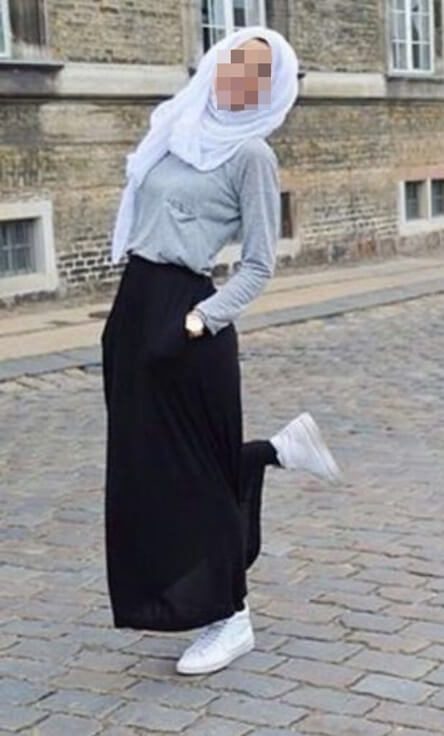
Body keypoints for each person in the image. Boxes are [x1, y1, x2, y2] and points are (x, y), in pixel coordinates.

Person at [101, 24, 341, 677]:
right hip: (133, 306)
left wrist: (200, 320)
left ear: (272, 90)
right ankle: (273, 452)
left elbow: (260, 264)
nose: (242, 78)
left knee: (190, 475)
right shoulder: (175, 127)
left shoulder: (250, 155)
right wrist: (126, 319)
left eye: (260, 74)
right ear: (216, 62)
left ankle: (229, 615)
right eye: (237, 61)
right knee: (144, 468)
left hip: (186, 317)